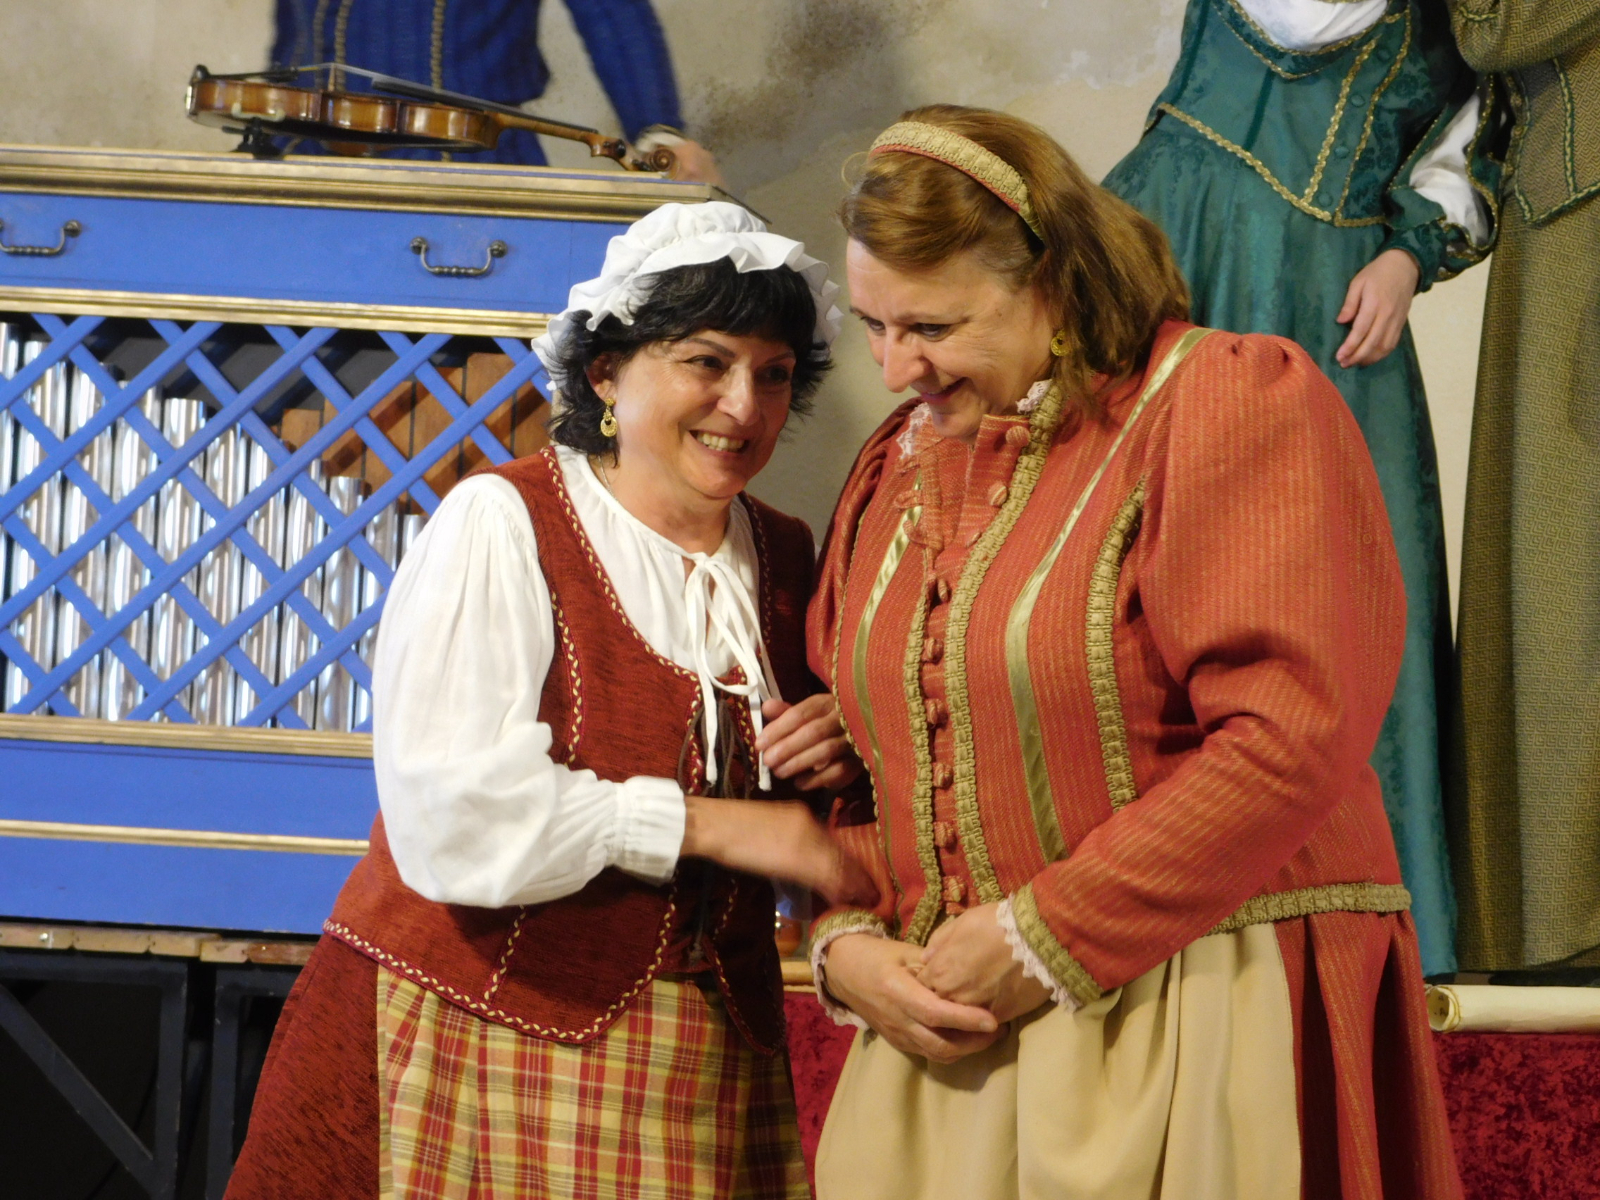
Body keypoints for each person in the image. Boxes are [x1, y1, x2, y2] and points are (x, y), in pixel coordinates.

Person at [808, 106, 1462, 1200]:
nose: (892, 366)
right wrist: (847, 945)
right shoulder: (896, 467)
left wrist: (1042, 934)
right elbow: (876, 756)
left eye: (931, 326)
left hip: (1201, 997)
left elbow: (1291, 734)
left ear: (1054, 285)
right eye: (871, 325)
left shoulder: (1217, 401)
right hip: (949, 1036)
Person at [225, 201, 871, 1199]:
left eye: (774, 374)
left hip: (705, 1063)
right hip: (485, 1028)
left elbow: (800, 816)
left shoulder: (783, 555)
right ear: (606, 372)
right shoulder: (503, 522)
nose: (744, 407)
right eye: (705, 363)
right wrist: (710, 825)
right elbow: (457, 816)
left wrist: (832, 749)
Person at [1099, 0, 1499, 978]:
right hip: (1166, 253)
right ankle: (1121, 896)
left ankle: (1349, 923)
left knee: (1328, 589)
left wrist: (1407, 256)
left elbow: (1470, 150)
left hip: (1321, 293)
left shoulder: (1463, 19)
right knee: (1131, 558)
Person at [1447, 2, 1600, 975]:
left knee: (1567, 579)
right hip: (1565, 210)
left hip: (1581, 222)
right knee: (1562, 584)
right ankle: (1562, 914)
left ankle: (1569, 916)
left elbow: (1494, 24)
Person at [269, 0, 725, 183]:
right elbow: (293, 33)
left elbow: (610, 12)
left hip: (473, 159)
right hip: (311, 160)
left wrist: (658, 129)